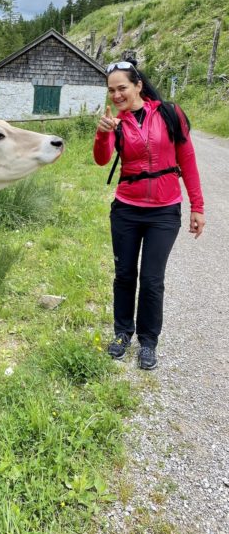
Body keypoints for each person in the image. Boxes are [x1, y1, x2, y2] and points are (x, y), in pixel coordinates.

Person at [93, 59, 205, 370]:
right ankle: (122, 333)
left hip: (164, 212)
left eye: (122, 88)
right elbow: (102, 160)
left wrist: (197, 206)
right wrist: (102, 134)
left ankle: (148, 341)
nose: (116, 95)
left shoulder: (170, 113)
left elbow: (188, 158)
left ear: (138, 85)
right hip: (127, 210)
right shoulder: (116, 123)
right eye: (111, 90)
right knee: (125, 275)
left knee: (153, 279)